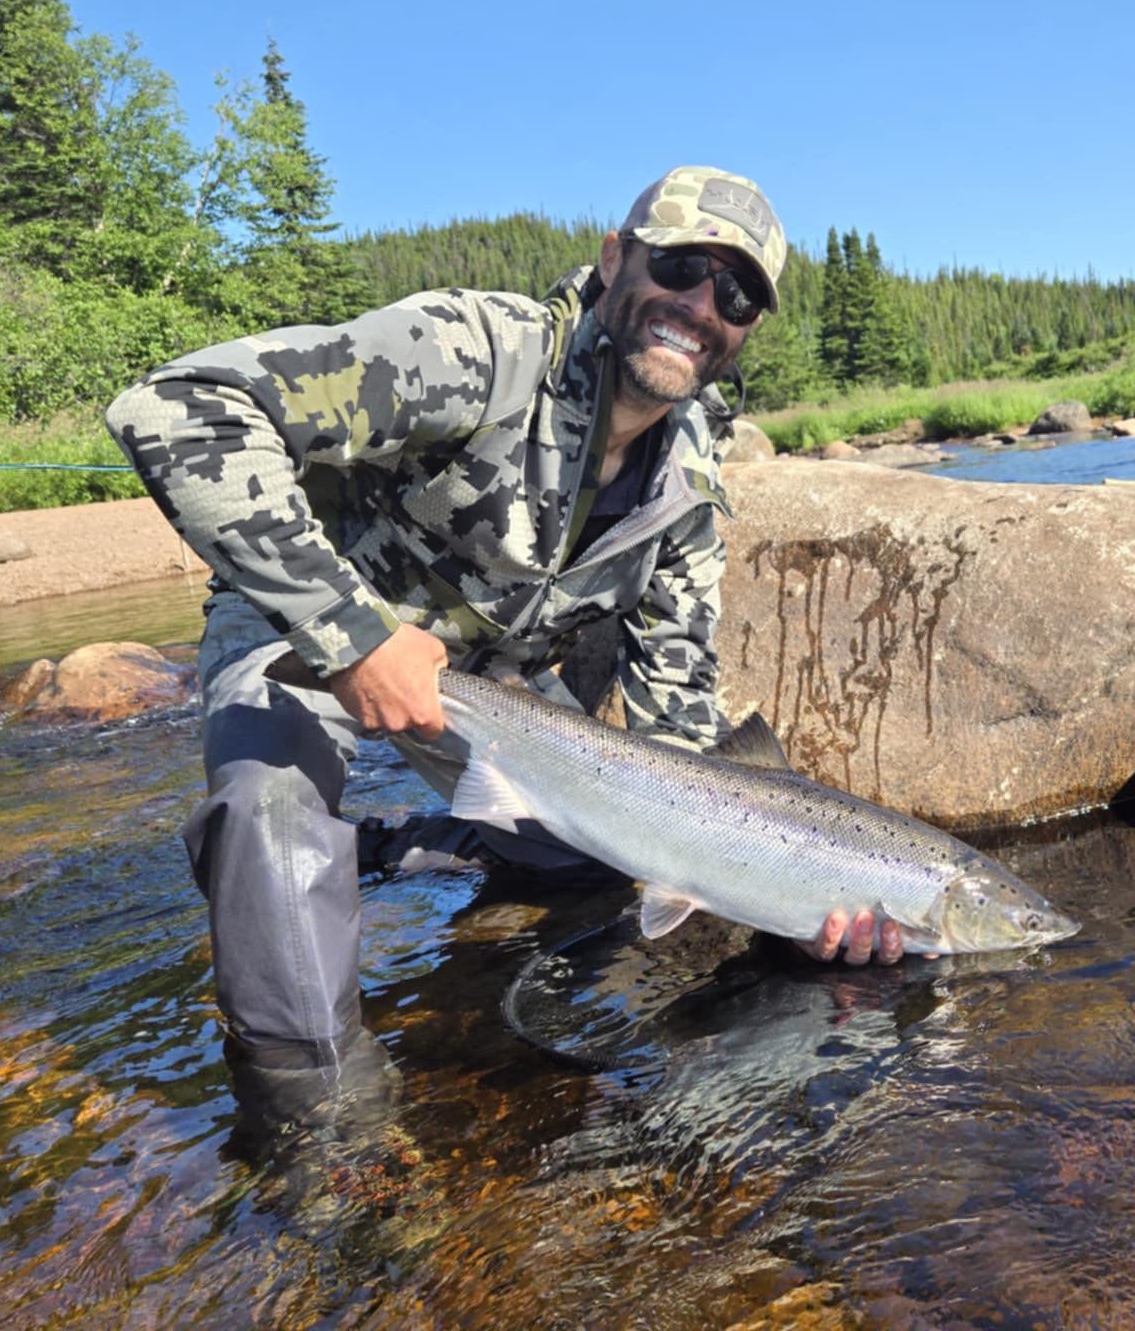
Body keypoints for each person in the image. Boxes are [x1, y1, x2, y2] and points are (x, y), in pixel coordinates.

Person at [105, 166, 901, 1125]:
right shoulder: (478, 350)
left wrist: (787, 894)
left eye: (734, 295)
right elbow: (178, 405)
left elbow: (680, 747)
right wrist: (355, 637)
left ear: (746, 330)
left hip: (494, 689)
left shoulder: (688, 487)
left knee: (597, 861)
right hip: (310, 624)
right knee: (265, 819)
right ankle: (317, 1122)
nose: (698, 305)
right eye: (681, 266)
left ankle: (401, 849)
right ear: (615, 259)